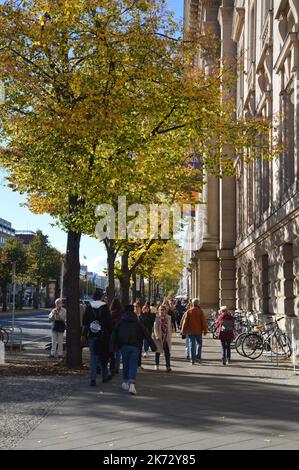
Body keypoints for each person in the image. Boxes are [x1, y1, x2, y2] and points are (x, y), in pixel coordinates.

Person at [113, 304, 156, 395]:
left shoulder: (121, 322)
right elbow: (146, 333)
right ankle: (132, 384)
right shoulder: (137, 322)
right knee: (133, 365)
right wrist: (153, 346)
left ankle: (125, 382)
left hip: (123, 346)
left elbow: (114, 334)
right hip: (135, 346)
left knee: (125, 364)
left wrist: (112, 346)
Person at [81, 290, 113, 386]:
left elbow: (85, 321)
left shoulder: (89, 306)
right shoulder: (105, 307)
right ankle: (104, 375)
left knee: (93, 357)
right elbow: (109, 323)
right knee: (103, 355)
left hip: (92, 334)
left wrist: (84, 334)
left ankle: (92, 378)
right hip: (103, 335)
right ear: (101, 297)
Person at [181, 298, 208, 364]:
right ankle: (198, 357)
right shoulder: (200, 311)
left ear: (192, 304)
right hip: (198, 331)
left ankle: (192, 359)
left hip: (190, 331)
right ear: (198, 304)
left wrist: (183, 331)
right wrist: (205, 330)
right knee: (199, 344)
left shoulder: (189, 311)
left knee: (191, 345)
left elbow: (185, 322)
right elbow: (203, 321)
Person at [153, 304, 173, 372]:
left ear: (165, 311)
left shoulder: (169, 317)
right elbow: (155, 328)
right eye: (160, 310)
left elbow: (170, 327)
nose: (162, 311)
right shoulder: (157, 318)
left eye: (163, 310)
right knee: (157, 352)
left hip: (166, 337)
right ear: (158, 311)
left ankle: (168, 366)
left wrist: (170, 334)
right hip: (159, 337)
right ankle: (156, 365)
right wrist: (157, 336)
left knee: (167, 353)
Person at [109, 297, 123, 375]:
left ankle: (112, 367)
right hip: (119, 335)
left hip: (112, 334)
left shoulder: (111, 313)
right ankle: (117, 367)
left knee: (112, 352)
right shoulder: (121, 313)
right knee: (118, 352)